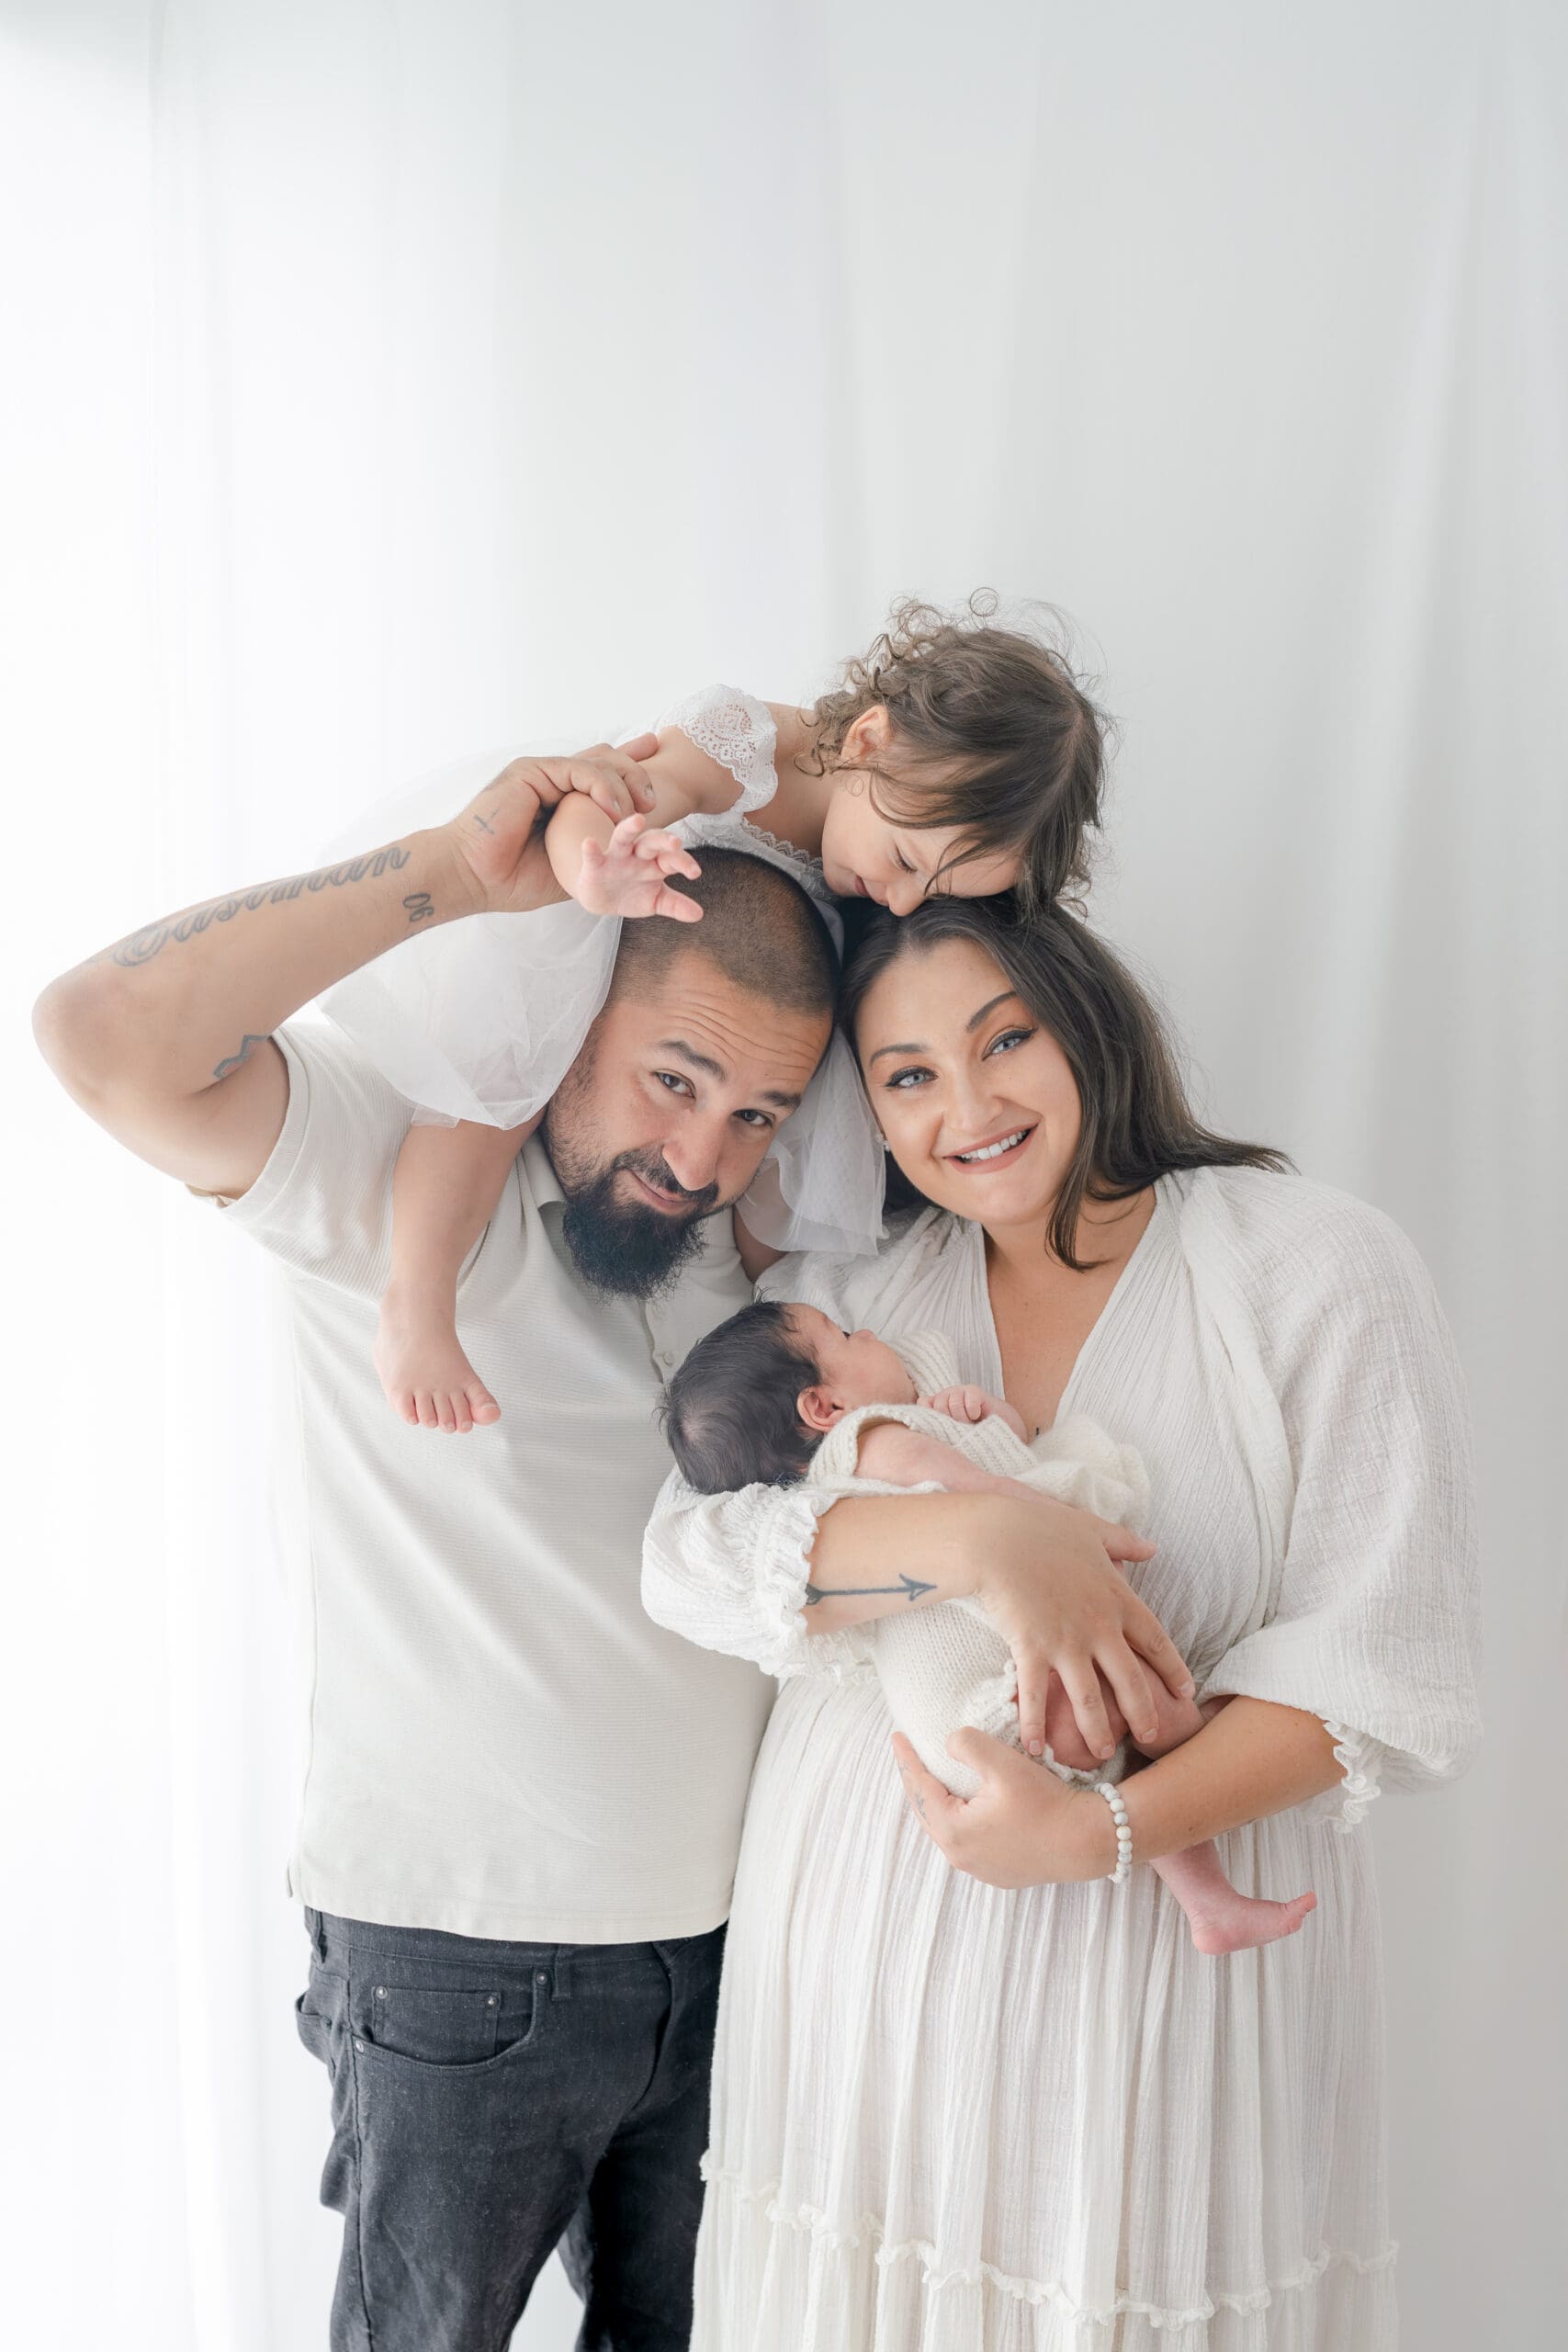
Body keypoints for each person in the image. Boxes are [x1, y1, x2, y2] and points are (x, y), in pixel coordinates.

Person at [31, 746, 1181, 2352]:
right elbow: (98, 1033)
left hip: (733, 1964)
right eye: (670, 1080)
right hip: (458, 1972)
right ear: (563, 1021)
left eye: (758, 1109)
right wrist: (456, 870)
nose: (701, 1158)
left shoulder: (752, 1271)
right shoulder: (390, 1184)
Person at [642, 894, 1483, 2351]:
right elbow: (692, 1565)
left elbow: (1383, 1663)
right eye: (905, 1076)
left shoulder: (1314, 1269)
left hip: (1153, 2017)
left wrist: (1101, 1836)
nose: (963, 1107)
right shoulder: (850, 1299)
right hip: (850, 2016)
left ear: (1087, 1024)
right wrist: (983, 1541)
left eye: (1002, 1040)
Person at [322, 597, 1109, 1432]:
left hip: (773, 1011)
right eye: (907, 861)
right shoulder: (745, 742)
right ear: (869, 742)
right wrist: (596, 873)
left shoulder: (896, 866)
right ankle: (416, 1301)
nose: (907, 899)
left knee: (780, 1209)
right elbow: (600, 798)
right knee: (491, 1096)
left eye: (944, 891)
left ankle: (779, 1392)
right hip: (625, 925)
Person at [660, 1296, 1318, 1957]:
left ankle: (1208, 1904)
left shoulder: (848, 1476)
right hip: (992, 1708)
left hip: (961, 1732)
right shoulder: (877, 1441)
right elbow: (990, 1494)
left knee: (1138, 1727)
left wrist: (985, 1414)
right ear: (823, 1408)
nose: (871, 1333)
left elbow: (1007, 1445)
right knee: (1158, 1714)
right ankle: (1209, 1882)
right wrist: (1074, 1533)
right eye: (848, 1335)